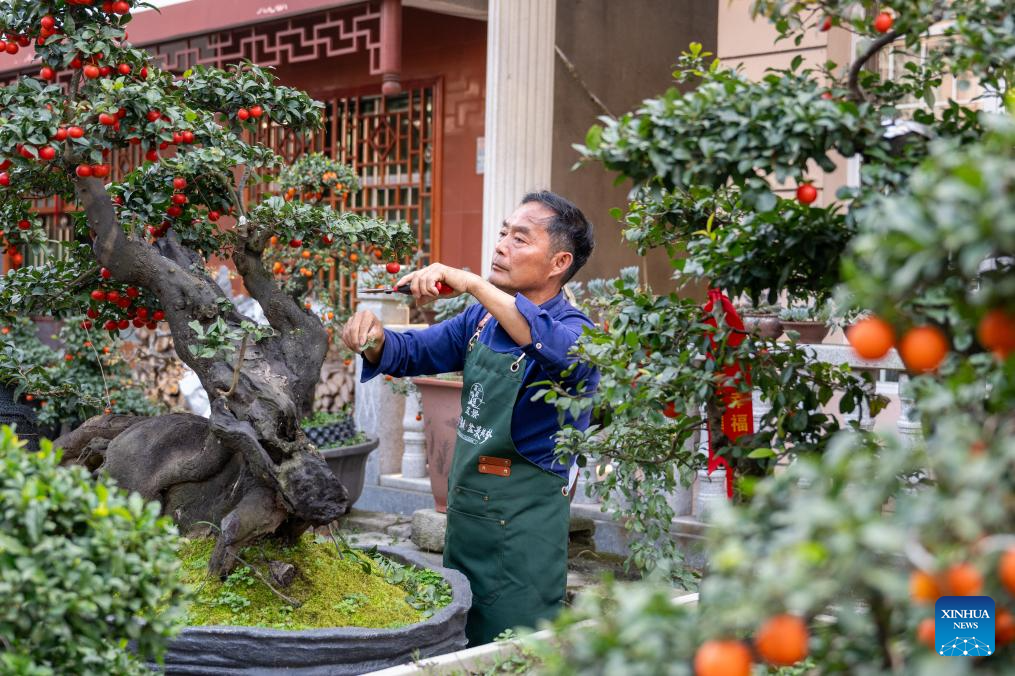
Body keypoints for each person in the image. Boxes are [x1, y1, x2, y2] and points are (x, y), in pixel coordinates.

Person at [342, 191, 599, 645]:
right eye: (503, 233)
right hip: (465, 524)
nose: (501, 245)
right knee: (458, 646)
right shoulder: (480, 319)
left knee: (515, 653)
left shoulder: (578, 332)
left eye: (520, 238)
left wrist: (473, 283)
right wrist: (375, 339)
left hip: (523, 535)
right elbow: (415, 351)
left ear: (559, 262)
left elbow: (551, 347)